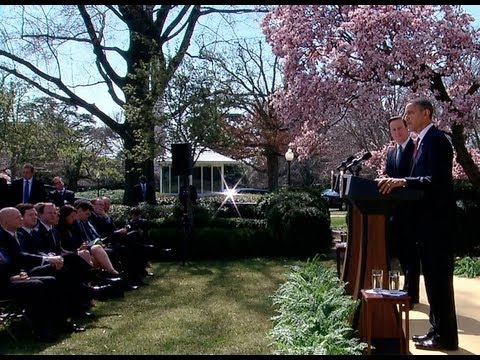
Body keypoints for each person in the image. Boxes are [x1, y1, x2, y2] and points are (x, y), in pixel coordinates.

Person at [376, 99, 458, 351]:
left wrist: (403, 182)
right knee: (432, 281)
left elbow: (435, 181)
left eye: (411, 113)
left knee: (440, 282)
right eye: (405, 113)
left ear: (426, 113)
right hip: (425, 225)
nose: (406, 117)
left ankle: (446, 337)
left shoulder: (437, 140)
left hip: (438, 225)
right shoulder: (422, 142)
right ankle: (436, 331)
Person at [0, 207, 85, 341]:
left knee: (51, 280)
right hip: (4, 284)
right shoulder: (2, 237)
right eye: (17, 217)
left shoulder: (13, 234)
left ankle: (60, 323)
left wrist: (20, 273)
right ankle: (42, 330)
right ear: (4, 221)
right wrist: (10, 277)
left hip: (18, 276)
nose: (21, 219)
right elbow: (12, 260)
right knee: (37, 285)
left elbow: (17, 259)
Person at [383, 116, 420, 305]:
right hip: (393, 211)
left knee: (410, 255)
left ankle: (411, 294)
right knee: (396, 251)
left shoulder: (416, 150)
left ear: (407, 128)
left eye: (399, 128)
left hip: (412, 210)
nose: (397, 133)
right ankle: (396, 291)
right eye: (393, 130)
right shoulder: (391, 153)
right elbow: (387, 175)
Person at [58, 204, 120, 276]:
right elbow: (63, 247)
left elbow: (80, 240)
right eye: (72, 216)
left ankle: (112, 271)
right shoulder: (59, 229)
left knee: (96, 248)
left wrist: (82, 245)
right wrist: (77, 249)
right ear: (65, 216)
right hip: (71, 253)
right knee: (92, 256)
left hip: (81, 249)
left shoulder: (74, 227)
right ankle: (97, 277)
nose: (74, 218)